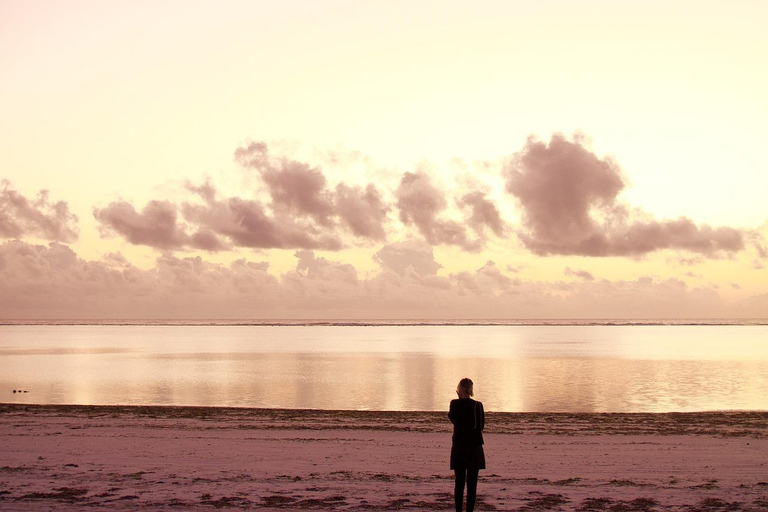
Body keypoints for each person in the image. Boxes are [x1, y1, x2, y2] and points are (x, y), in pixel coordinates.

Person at [448, 377, 485, 512]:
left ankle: (459, 510)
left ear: (459, 389)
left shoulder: (454, 404)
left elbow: (453, 419)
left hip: (459, 446)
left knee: (459, 482)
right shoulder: (477, 405)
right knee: (472, 483)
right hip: (474, 447)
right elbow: (481, 426)